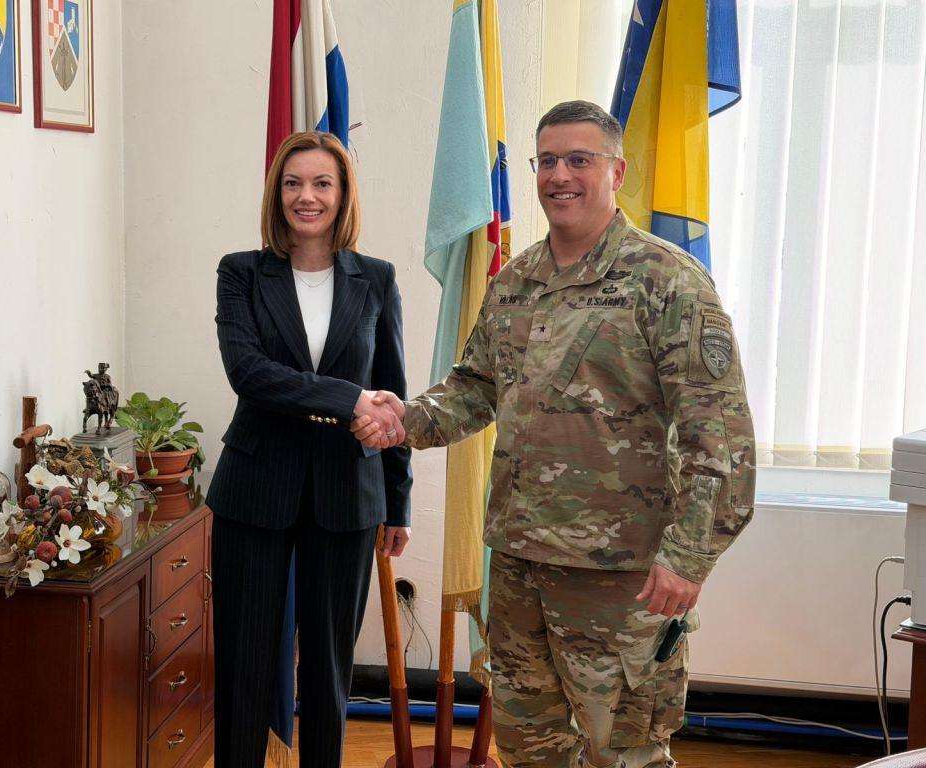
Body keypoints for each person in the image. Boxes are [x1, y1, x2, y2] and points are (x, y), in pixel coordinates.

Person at [354, 101, 756, 767]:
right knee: (529, 745)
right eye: (547, 161)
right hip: (519, 564)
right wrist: (404, 419)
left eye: (579, 160)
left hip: (620, 576)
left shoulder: (667, 282)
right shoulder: (517, 280)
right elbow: (476, 388)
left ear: (615, 171)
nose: (559, 176)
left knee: (623, 752)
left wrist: (690, 557)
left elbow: (721, 439)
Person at [207, 130, 413, 768]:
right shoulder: (241, 273)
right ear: (276, 193)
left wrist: (398, 501)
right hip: (254, 490)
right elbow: (249, 373)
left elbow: (393, 395)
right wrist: (349, 400)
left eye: (323, 183)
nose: (307, 196)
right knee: (244, 664)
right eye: (293, 183)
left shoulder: (376, 279)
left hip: (348, 492)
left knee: (329, 668)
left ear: (343, 193)